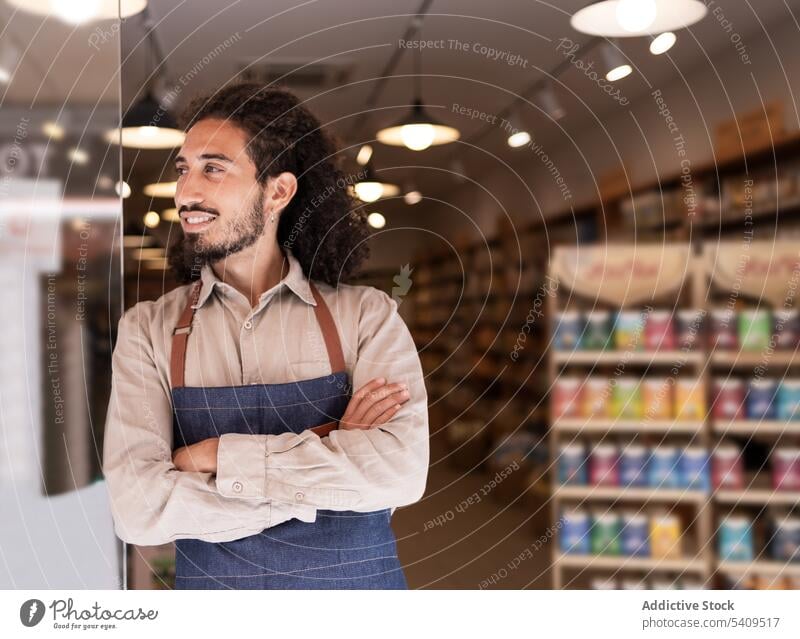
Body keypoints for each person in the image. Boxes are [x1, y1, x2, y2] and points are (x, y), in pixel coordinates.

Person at [102, 82, 429, 589]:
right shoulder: (148, 330)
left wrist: (213, 460)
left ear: (278, 191)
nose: (187, 193)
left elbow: (400, 473)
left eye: (213, 168)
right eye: (184, 169)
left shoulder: (366, 316)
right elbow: (138, 511)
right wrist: (334, 453)